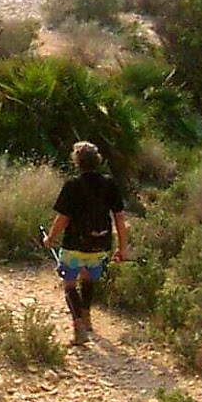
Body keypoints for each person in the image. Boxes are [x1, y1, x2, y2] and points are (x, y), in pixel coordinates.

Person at [42, 141, 134, 346]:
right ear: (97, 160)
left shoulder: (72, 185)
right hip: (99, 245)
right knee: (89, 281)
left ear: (77, 162)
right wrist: (122, 247)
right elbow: (119, 218)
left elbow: (62, 218)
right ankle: (87, 317)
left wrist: (50, 238)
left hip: (74, 244)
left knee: (69, 286)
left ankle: (79, 328)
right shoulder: (109, 184)